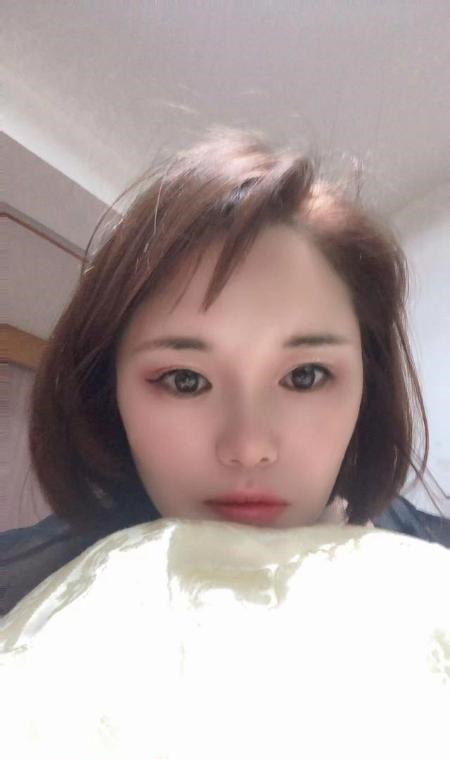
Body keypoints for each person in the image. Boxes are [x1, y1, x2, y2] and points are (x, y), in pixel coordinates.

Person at [2, 129, 448, 616]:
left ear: (368, 387)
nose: (248, 447)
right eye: (185, 380)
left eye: (305, 376)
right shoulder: (22, 603)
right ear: (108, 392)